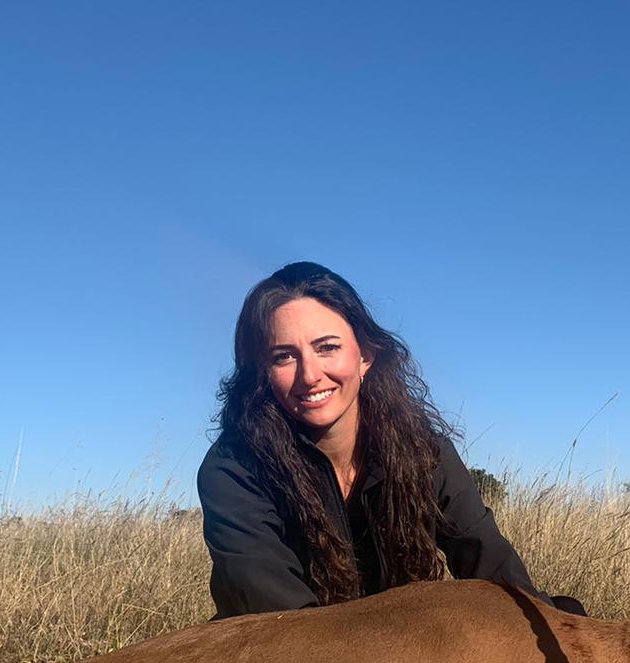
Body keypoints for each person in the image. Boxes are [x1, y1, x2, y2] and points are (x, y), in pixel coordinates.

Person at [198, 261, 574, 620]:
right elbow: (280, 622)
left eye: (327, 347)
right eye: (283, 356)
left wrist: (560, 628)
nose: (310, 375)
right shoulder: (233, 470)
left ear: (365, 356)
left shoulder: (424, 451)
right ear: (261, 372)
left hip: (395, 658)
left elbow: (495, 574)